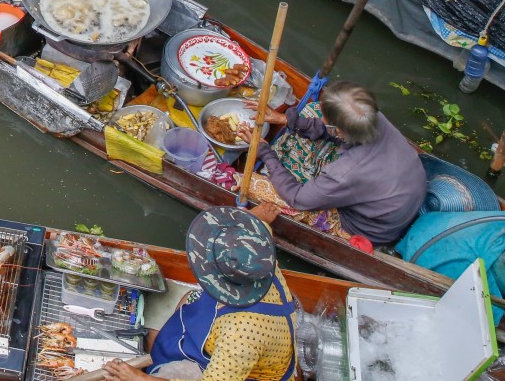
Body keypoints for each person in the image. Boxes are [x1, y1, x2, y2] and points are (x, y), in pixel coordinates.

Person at [103, 202, 297, 381]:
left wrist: (139, 378)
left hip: (234, 371)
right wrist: (260, 215)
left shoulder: (241, 337)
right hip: (226, 330)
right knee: (190, 298)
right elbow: (253, 225)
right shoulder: (256, 257)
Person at [238, 80, 427, 245]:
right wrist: (286, 120)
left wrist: (265, 152)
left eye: (325, 118)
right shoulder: (374, 117)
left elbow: (298, 198)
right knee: (309, 110)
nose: (320, 118)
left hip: (370, 228)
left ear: (340, 131)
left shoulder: (346, 173)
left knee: (251, 183)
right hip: (401, 193)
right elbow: (329, 128)